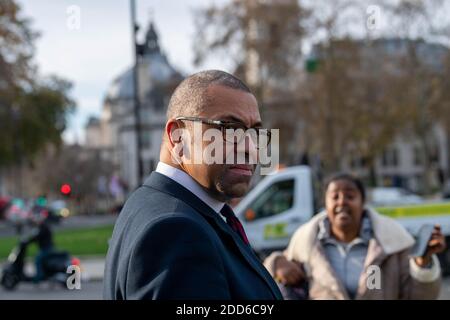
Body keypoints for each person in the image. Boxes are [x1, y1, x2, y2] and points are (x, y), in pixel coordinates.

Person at [103, 70, 282, 300]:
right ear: (177, 137)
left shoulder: (152, 202)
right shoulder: (176, 231)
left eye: (255, 132)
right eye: (228, 128)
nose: (250, 147)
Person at [264, 173, 446, 300]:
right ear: (325, 203)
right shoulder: (305, 242)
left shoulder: (392, 243)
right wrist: (277, 263)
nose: (341, 201)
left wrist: (423, 264)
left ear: (362, 202)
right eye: (335, 196)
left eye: (350, 196)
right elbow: (272, 274)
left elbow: (420, 296)